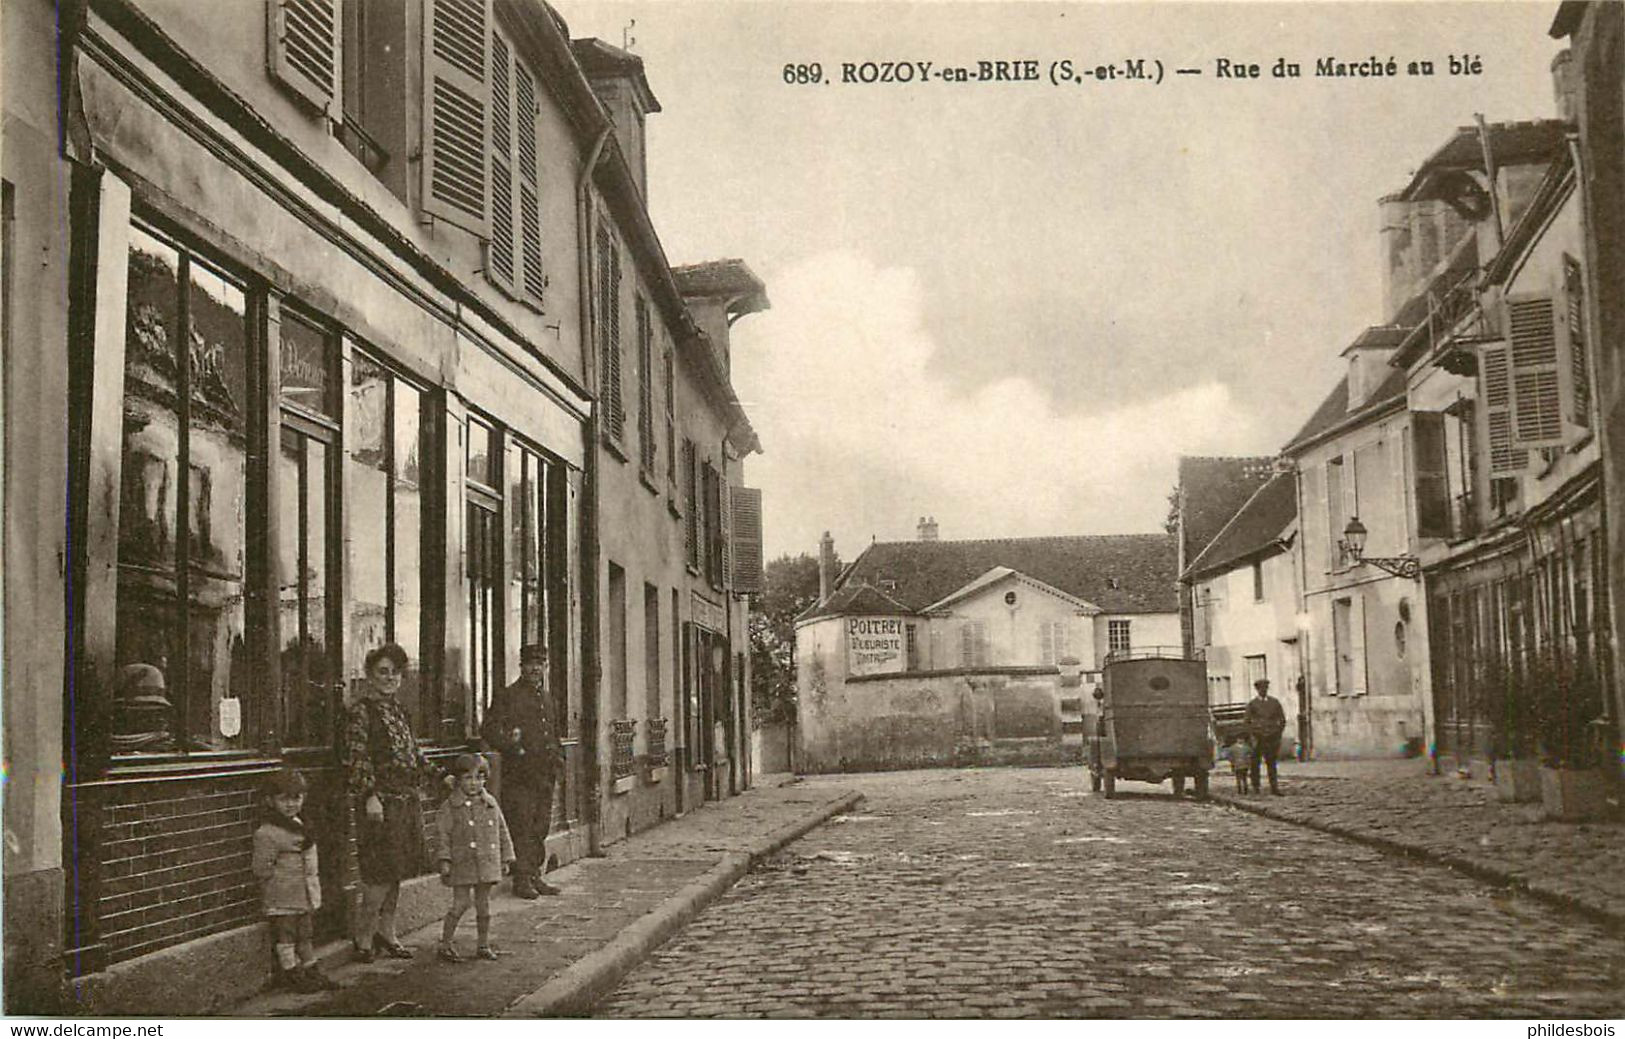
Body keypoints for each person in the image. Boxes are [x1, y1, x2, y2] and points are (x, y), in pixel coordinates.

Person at [342, 643, 436, 961]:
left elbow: (414, 752)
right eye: (383, 671)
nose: (390, 678)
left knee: (396, 872)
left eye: (395, 673)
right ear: (369, 675)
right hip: (379, 804)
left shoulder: (399, 711)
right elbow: (357, 758)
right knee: (378, 873)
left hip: (405, 801)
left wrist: (440, 776)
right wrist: (370, 796)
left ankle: (388, 931)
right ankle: (364, 937)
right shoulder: (361, 712)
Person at [480, 644, 564, 898]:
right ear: (522, 666)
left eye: (540, 663)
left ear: (546, 667)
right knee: (522, 825)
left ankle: (535, 874)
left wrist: (558, 758)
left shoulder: (548, 699)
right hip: (519, 775)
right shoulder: (508, 695)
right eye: (530, 663)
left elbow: (554, 733)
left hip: (544, 774)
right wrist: (513, 748)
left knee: (540, 826)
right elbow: (490, 729)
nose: (535, 668)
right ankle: (521, 879)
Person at [251, 769, 338, 992]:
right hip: (283, 895)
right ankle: (290, 973)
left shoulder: (300, 824)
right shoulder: (267, 832)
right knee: (287, 935)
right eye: (284, 799)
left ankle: (311, 970)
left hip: (304, 892)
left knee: (305, 934)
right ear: (270, 801)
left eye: (296, 798)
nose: (291, 804)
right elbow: (262, 868)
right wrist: (274, 889)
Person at [434, 753, 514, 962]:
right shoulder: (450, 807)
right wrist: (444, 860)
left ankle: (483, 944)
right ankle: (445, 943)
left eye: (479, 778)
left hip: (486, 861)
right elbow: (443, 834)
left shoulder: (490, 803)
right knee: (460, 904)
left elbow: (502, 831)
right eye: (468, 778)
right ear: (458, 780)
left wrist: (506, 858)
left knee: (484, 905)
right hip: (463, 862)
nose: (474, 783)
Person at [1245, 678, 1288, 795]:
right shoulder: (1252, 704)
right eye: (1261, 689)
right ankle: (1256, 787)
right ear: (1257, 690)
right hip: (1258, 738)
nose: (1263, 691)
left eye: (1265, 688)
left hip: (1272, 738)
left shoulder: (1274, 703)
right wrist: (1253, 735)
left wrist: (1278, 733)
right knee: (1255, 764)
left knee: (1272, 763)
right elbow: (1247, 722)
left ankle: (1274, 788)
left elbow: (1282, 719)